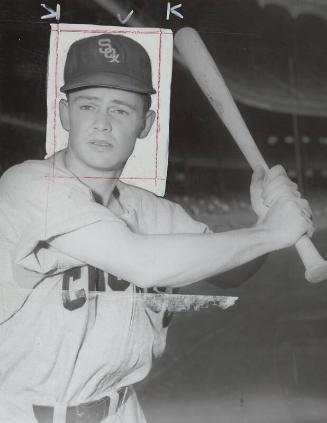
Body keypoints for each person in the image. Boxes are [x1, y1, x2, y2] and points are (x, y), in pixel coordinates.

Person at [0, 33, 312, 423]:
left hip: (122, 410)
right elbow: (141, 263)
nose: (101, 123)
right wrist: (272, 233)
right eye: (87, 105)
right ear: (64, 114)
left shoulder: (150, 210)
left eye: (120, 110)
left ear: (145, 124)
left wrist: (263, 218)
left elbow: (231, 272)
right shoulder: (28, 186)